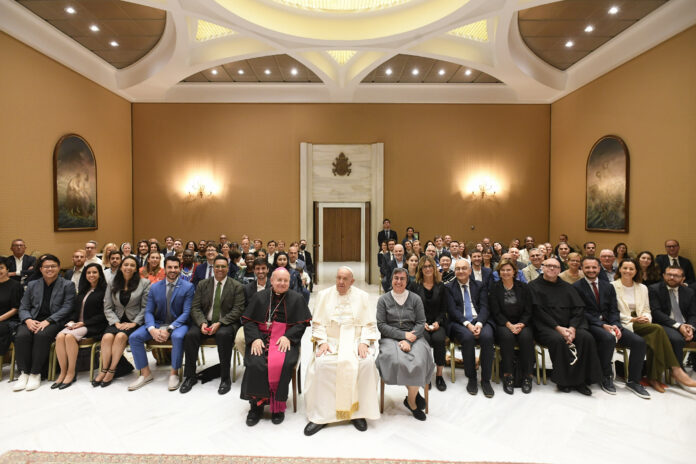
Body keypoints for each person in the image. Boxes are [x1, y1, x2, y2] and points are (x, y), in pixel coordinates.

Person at [304, 267, 379, 435]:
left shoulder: (362, 297)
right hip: (331, 341)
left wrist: (365, 342)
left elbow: (369, 324)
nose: (341, 282)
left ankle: (358, 413)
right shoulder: (324, 296)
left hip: (354, 341)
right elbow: (317, 324)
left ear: (352, 281)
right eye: (338, 278)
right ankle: (321, 416)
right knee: (323, 364)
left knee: (366, 363)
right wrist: (322, 341)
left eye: (345, 279)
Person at [612, 259, 696, 394]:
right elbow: (612, 311)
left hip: (642, 321)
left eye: (631, 269)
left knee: (654, 338)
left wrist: (646, 318)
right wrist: (632, 318)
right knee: (658, 330)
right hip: (624, 321)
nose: (628, 271)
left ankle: (654, 377)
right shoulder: (612, 286)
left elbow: (647, 309)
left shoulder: (642, 287)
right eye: (625, 268)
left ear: (636, 271)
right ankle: (675, 370)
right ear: (620, 269)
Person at [241, 268, 311, 426]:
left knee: (282, 363)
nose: (282, 283)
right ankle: (256, 406)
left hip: (284, 339)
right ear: (271, 281)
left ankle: (277, 407)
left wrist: (288, 336)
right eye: (279, 280)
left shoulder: (297, 298)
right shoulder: (260, 297)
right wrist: (254, 339)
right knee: (255, 361)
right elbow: (248, 321)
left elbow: (301, 324)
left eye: (286, 280)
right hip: (261, 338)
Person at [573, 258, 649, 398]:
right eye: (587, 267)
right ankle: (605, 375)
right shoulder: (576, 287)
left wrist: (616, 325)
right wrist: (602, 325)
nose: (591, 270)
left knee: (639, 342)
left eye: (594, 267)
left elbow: (614, 309)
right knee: (608, 339)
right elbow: (581, 312)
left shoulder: (608, 286)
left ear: (599, 268)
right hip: (591, 325)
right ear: (582, 268)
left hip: (611, 323)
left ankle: (633, 381)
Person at [528, 258, 602, 395]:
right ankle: (564, 381)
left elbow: (578, 309)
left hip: (570, 326)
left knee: (586, 337)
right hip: (546, 326)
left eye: (555, 267)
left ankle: (581, 381)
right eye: (549, 266)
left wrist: (572, 328)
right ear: (542, 268)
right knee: (557, 340)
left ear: (560, 270)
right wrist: (558, 328)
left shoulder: (568, 287)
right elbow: (538, 312)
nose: (552, 269)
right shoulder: (533, 286)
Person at [128, 256, 194, 391]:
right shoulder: (154, 287)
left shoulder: (188, 287)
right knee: (134, 337)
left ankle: (174, 373)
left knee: (177, 337)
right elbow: (148, 311)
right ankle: (145, 373)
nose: (173, 270)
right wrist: (152, 329)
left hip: (179, 324)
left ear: (180, 269)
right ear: (165, 269)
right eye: (170, 267)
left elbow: (186, 313)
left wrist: (169, 329)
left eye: (176, 267)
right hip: (158, 323)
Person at [376, 268, 434, 421]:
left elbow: (421, 322)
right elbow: (381, 325)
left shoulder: (415, 299)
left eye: (402, 279)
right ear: (391, 280)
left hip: (414, 336)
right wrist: (402, 335)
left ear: (407, 281)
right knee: (395, 360)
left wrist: (409, 339)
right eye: (396, 278)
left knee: (419, 362)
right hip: (390, 337)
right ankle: (413, 401)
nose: (399, 282)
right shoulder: (383, 300)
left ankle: (411, 400)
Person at [181, 256, 245, 395]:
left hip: (226, 322)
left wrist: (220, 323)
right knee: (190, 335)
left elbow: (238, 310)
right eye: (217, 266)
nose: (220, 269)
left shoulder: (236, 286)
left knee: (223, 335)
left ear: (228, 268)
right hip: (205, 321)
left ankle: (225, 378)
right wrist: (202, 322)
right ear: (213, 268)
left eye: (223, 266)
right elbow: (195, 307)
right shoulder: (203, 284)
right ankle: (190, 377)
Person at [13, 255, 75, 392]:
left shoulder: (68, 284)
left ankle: (35, 373)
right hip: (33, 319)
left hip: (54, 320)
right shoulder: (32, 284)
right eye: (46, 266)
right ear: (40, 269)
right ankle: (24, 373)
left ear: (59, 268)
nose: (50, 269)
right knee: (21, 336)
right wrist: (28, 320)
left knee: (41, 336)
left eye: (53, 266)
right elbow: (23, 307)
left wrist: (48, 320)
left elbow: (67, 307)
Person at [52, 263, 108, 389]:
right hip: (78, 325)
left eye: (94, 272)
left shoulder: (105, 291)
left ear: (100, 274)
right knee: (60, 336)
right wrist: (72, 321)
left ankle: (71, 372)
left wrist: (84, 323)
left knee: (69, 337)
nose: (91, 275)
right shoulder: (82, 290)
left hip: (94, 325)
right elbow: (75, 311)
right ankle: (63, 372)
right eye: (88, 273)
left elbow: (104, 314)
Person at [97, 256, 150, 387]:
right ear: (121, 267)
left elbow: (145, 307)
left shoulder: (144, 283)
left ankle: (112, 370)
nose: (128, 267)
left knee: (120, 336)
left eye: (132, 265)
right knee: (107, 337)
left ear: (136, 269)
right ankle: (103, 369)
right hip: (116, 320)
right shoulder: (112, 283)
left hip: (134, 321)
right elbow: (108, 306)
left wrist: (135, 323)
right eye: (126, 264)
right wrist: (116, 322)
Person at [446, 259, 495, 397]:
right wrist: (467, 324)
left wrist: (478, 323)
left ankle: (485, 380)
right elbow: (452, 310)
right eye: (457, 269)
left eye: (464, 268)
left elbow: (485, 307)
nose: (460, 271)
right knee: (467, 338)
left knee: (487, 337)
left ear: (470, 270)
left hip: (480, 320)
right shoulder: (449, 287)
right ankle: (472, 378)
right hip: (460, 322)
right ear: (454, 271)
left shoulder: (480, 285)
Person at [489, 259, 535, 394]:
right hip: (504, 323)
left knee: (526, 337)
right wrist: (509, 325)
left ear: (514, 271)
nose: (505, 272)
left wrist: (522, 324)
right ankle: (508, 375)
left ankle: (527, 376)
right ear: (499, 272)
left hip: (522, 322)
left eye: (508, 270)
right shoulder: (495, 288)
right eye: (502, 270)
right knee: (506, 337)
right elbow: (495, 311)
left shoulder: (523, 287)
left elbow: (529, 310)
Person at [409, 256, 448, 391]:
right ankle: (426, 374)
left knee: (439, 339)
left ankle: (439, 375)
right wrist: (422, 322)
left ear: (434, 268)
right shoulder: (414, 286)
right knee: (424, 340)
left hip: (438, 323)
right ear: (421, 269)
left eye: (430, 266)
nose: (427, 269)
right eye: (424, 266)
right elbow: (411, 308)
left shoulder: (441, 286)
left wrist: (438, 322)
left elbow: (444, 309)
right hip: (420, 323)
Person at [648, 266, 696, 369]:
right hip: (665, 324)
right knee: (677, 340)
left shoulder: (689, 292)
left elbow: (693, 314)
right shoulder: (654, 289)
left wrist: (690, 327)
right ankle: (678, 372)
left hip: (685, 324)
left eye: (676, 276)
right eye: (669, 275)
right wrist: (679, 326)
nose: (672, 277)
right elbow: (656, 313)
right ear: (664, 275)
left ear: (683, 278)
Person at [0, 260, 22, 356]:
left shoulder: (15, 286)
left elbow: (15, 309)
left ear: (7, 269)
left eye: (1, 268)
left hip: (8, 319)